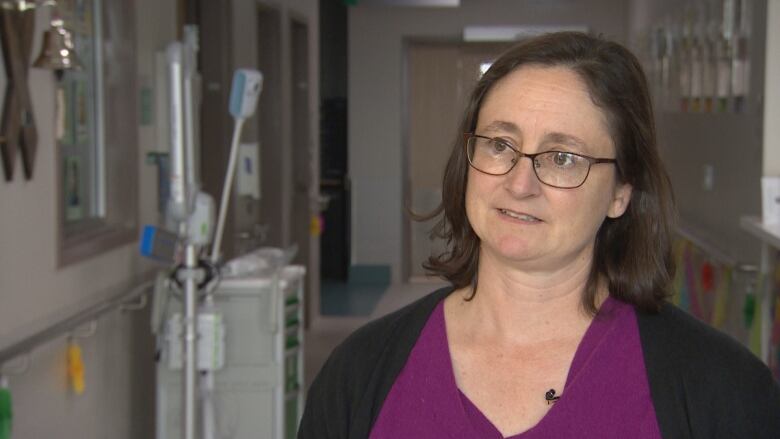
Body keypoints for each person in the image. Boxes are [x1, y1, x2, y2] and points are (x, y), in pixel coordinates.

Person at [298, 32, 780, 438]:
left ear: (621, 193)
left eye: (562, 156)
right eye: (499, 144)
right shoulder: (359, 375)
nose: (519, 182)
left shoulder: (721, 391)